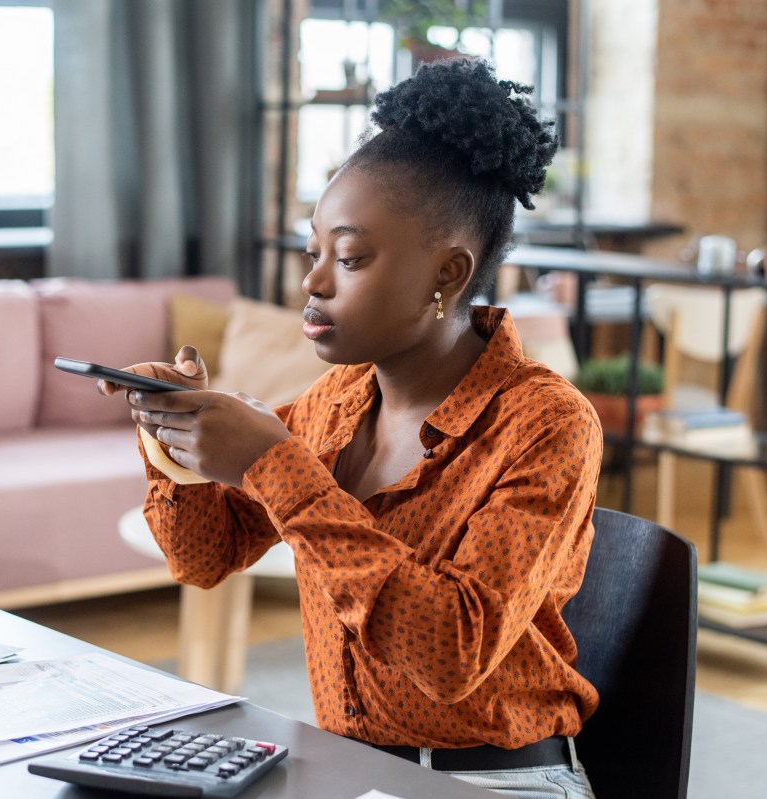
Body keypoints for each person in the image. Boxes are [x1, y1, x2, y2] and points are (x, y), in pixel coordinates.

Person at [101, 58, 601, 799]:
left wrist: (275, 464)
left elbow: (451, 652)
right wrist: (172, 436)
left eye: (351, 257)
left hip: (498, 783)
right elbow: (202, 556)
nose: (313, 282)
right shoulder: (337, 400)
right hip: (352, 774)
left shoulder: (546, 424)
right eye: (314, 253)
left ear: (448, 274)